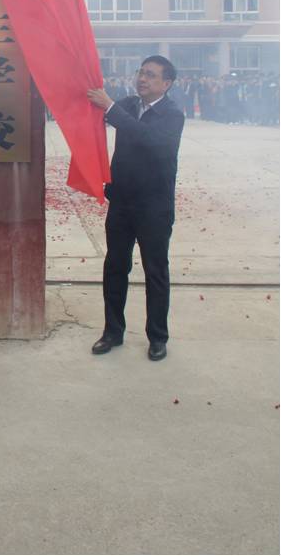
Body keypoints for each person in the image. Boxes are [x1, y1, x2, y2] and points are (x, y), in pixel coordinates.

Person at [87, 55, 185, 362]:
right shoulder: (128, 105)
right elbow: (93, 108)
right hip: (122, 203)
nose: (143, 79)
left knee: (155, 272)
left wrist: (111, 108)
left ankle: (157, 337)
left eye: (151, 75)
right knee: (115, 267)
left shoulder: (173, 114)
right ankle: (112, 332)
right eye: (141, 72)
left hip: (154, 207)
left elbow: (151, 141)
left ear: (166, 84)